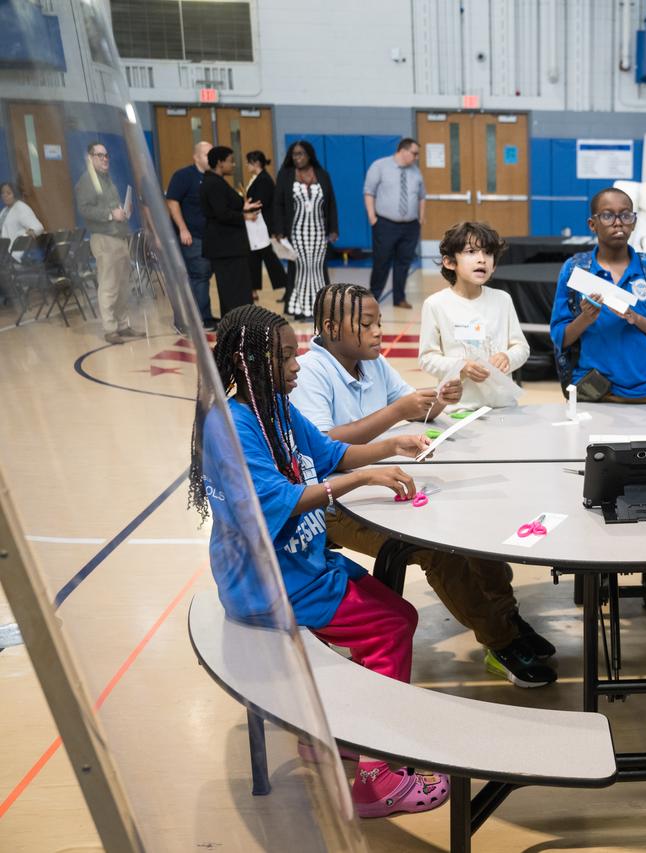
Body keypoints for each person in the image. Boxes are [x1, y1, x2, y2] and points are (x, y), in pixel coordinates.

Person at [189, 304, 449, 818]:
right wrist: (358, 481)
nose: (297, 366)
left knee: (391, 611)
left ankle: (340, 729)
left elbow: (329, 454)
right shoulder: (232, 426)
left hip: (301, 567)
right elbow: (273, 501)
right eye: (286, 357)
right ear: (250, 364)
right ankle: (379, 779)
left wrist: (390, 445)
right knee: (393, 623)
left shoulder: (275, 410)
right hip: (271, 584)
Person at [292, 284, 557, 688]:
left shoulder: (371, 362)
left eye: (379, 322)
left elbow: (416, 405)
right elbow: (326, 443)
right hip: (337, 502)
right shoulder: (311, 371)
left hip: (385, 481)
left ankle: (507, 619)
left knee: (475, 527)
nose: (378, 332)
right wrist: (396, 412)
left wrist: (441, 399)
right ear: (331, 327)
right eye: (367, 324)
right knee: (439, 550)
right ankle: (500, 640)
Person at [550, 188, 646, 404]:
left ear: (634, 222)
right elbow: (560, 339)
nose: (618, 222)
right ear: (592, 224)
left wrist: (635, 319)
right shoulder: (575, 270)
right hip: (593, 392)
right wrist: (585, 318)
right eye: (608, 215)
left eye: (625, 215)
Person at [419, 221, 529, 409]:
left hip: (502, 406)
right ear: (449, 262)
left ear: (494, 265)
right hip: (458, 409)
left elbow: (522, 348)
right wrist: (461, 366)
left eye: (488, 253)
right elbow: (427, 359)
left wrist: (507, 357)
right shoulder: (436, 304)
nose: (482, 259)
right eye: (471, 252)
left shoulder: (502, 300)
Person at [75, 141, 141, 344]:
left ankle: (122, 325)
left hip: (119, 236)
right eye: (99, 155)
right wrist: (111, 215)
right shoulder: (87, 180)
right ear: (90, 158)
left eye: (106, 155)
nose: (105, 159)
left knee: (123, 285)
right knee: (109, 285)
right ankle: (110, 329)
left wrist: (122, 211)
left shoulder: (106, 180)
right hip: (104, 239)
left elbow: (111, 207)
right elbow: (84, 209)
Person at [273, 139, 338, 321]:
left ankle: (320, 308)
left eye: (300, 154)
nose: (297, 158)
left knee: (317, 268)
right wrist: (278, 230)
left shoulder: (322, 175)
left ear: (309, 155)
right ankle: (300, 308)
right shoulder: (285, 175)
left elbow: (331, 203)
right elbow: (277, 204)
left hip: (319, 230)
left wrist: (333, 228)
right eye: (294, 154)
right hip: (296, 231)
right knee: (301, 268)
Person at [364, 138, 425, 310]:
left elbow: (422, 196)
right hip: (385, 224)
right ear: (403, 151)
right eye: (414, 153)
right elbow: (369, 192)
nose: (416, 157)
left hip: (410, 226)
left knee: (403, 263)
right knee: (381, 262)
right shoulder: (380, 166)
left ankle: (399, 298)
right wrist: (372, 217)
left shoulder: (415, 171)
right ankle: (372, 298)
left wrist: (421, 218)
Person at [200, 146, 260, 316]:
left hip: (229, 246)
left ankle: (238, 320)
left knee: (235, 287)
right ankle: (237, 321)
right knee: (233, 289)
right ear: (219, 162)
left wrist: (244, 206)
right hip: (225, 246)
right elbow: (221, 213)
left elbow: (228, 205)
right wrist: (245, 217)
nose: (233, 165)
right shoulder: (213, 183)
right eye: (230, 161)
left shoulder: (217, 182)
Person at [166, 141, 215, 329]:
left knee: (203, 276)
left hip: (208, 237)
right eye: (206, 154)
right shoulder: (183, 176)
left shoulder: (211, 177)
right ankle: (200, 318)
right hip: (192, 236)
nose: (209, 158)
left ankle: (202, 315)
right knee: (199, 275)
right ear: (196, 157)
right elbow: (172, 202)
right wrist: (182, 229)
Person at [244, 151, 288, 297]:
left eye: (248, 162)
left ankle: (287, 287)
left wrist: (246, 207)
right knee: (255, 257)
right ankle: (253, 289)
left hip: (262, 224)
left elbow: (261, 201)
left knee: (269, 257)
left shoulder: (263, 180)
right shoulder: (258, 178)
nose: (247, 165)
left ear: (256, 163)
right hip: (255, 224)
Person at [0, 182, 44, 256]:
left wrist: (29, 233)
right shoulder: (4, 211)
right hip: (4, 252)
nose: (5, 196)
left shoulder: (21, 208)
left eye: (8, 193)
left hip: (14, 254)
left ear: (15, 194)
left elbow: (38, 227)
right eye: (2, 193)